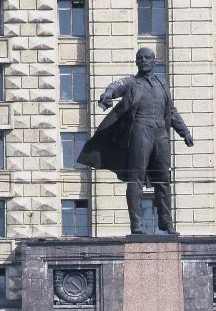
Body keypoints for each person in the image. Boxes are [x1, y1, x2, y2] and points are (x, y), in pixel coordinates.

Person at [77, 48, 194, 234]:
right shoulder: (132, 83)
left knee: (163, 179)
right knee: (136, 178)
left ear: (155, 61)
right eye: (140, 58)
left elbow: (171, 111)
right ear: (136, 62)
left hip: (161, 133)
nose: (143, 60)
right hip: (140, 130)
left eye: (147, 58)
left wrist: (184, 132)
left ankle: (166, 223)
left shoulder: (162, 84)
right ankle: (136, 225)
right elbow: (116, 86)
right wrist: (107, 94)